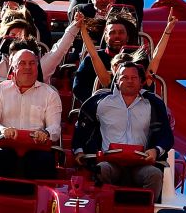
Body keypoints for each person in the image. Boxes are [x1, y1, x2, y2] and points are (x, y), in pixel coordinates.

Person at [72, 62, 174, 202]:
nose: (129, 81)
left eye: (134, 77)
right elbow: (81, 129)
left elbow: (166, 135)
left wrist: (155, 150)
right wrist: (79, 151)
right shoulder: (100, 101)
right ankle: (103, 210)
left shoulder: (154, 103)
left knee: (155, 175)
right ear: (117, 80)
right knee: (101, 169)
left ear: (141, 81)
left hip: (141, 164)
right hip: (110, 162)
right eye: (124, 77)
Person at [0, 48, 61, 190]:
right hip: (6, 145)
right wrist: (2, 130)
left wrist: (46, 134)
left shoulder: (50, 94)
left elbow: (55, 128)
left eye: (32, 63)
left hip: (37, 147)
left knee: (43, 160)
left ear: (37, 66)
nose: (28, 67)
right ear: (13, 67)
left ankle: (43, 204)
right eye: (22, 63)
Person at [0, 0, 83, 86]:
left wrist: (75, 26)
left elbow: (59, 50)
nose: (16, 42)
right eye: (12, 36)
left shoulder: (40, 68)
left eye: (21, 38)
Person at [72, 15, 131, 103]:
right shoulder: (92, 59)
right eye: (112, 33)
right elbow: (79, 88)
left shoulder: (136, 59)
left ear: (127, 37)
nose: (117, 36)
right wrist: (98, 105)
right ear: (105, 38)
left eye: (121, 32)